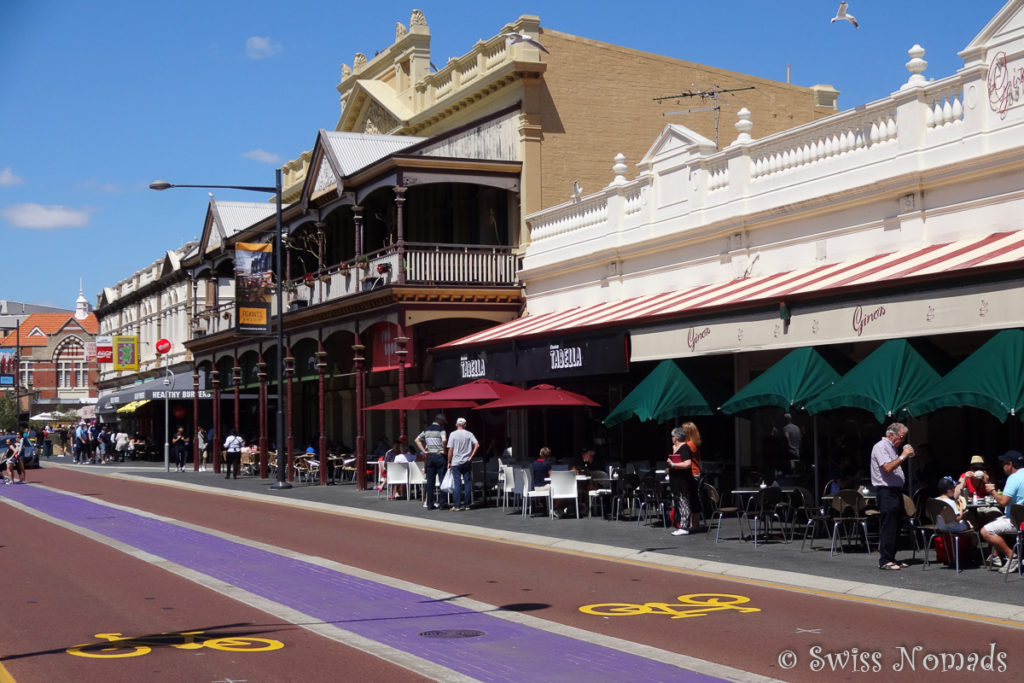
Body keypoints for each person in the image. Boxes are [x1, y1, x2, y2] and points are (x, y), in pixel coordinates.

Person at [869, 422, 914, 571]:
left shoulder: (891, 448)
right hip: (886, 491)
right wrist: (903, 456)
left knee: (897, 525)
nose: (902, 440)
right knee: (888, 525)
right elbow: (887, 467)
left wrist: (902, 455)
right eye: (902, 437)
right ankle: (885, 560)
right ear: (891, 434)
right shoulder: (880, 447)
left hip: (895, 491)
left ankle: (892, 557)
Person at [980, 450, 1024, 574]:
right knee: (996, 520)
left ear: (1010, 464)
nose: (1002, 467)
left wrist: (991, 490)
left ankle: (1012, 557)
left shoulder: (1013, 478)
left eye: (1004, 463)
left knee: (986, 531)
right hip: (1019, 517)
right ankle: (994, 556)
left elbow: (1003, 502)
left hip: (1017, 521)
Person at [667, 423, 701, 536]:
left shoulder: (686, 447)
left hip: (684, 481)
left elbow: (687, 463)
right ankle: (682, 525)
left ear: (675, 438)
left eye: (672, 436)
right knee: (680, 502)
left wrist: (672, 465)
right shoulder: (676, 447)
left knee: (684, 502)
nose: (672, 439)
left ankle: (684, 526)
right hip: (677, 481)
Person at [415, 414, 448, 510]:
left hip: (430, 456)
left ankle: (430, 503)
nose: (443, 424)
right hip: (439, 455)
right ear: (440, 421)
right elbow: (444, 440)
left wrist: (425, 451)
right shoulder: (441, 430)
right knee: (442, 480)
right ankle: (442, 503)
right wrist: (443, 449)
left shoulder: (426, 430)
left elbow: (417, 440)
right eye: (443, 422)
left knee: (430, 482)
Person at [446, 417, 479, 511]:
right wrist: (471, 456)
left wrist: (449, 461)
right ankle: (467, 505)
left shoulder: (453, 434)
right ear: (465, 425)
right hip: (466, 461)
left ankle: (457, 505)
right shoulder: (469, 434)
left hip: (456, 462)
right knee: (467, 483)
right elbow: (477, 444)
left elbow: (450, 449)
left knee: (457, 484)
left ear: (456, 425)